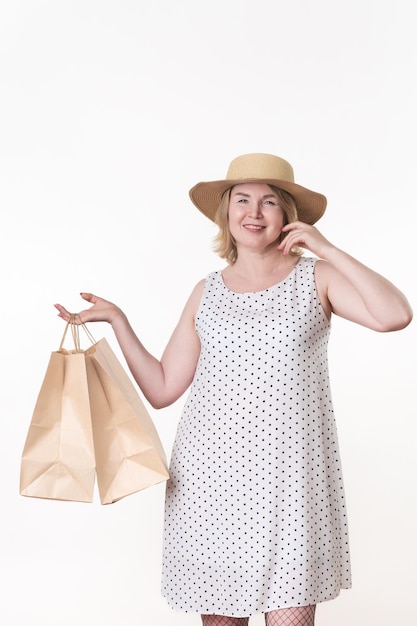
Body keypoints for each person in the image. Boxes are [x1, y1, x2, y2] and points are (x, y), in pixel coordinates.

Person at [55, 153, 412, 626]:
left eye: (269, 202)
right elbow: (162, 388)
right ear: (226, 213)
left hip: (291, 480)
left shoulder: (317, 278)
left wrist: (328, 249)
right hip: (209, 480)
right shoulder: (206, 291)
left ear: (288, 215)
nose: (254, 212)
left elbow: (394, 315)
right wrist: (119, 321)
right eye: (241, 200)